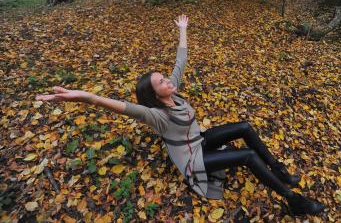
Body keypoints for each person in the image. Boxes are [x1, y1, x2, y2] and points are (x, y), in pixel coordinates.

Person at [36, 15, 325, 216]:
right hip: (193, 159)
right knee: (247, 156)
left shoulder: (173, 92)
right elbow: (111, 103)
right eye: (161, 82)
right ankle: (292, 201)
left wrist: (182, 29)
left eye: (164, 78)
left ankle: (279, 171)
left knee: (245, 127)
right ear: (154, 94)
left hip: (199, 140)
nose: (168, 81)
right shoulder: (156, 115)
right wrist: (83, 96)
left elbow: (181, 58)